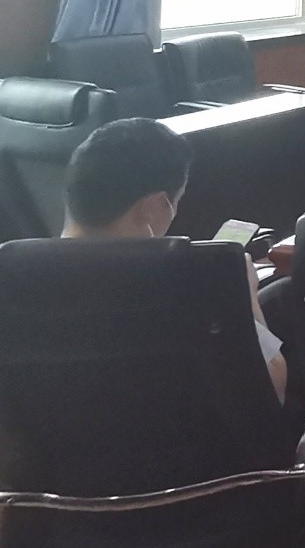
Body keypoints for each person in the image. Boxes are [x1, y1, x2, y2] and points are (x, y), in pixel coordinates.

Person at [61, 118, 287, 403]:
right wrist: (245, 298)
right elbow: (271, 389)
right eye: (176, 201)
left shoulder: (14, 278)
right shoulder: (187, 285)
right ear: (154, 205)